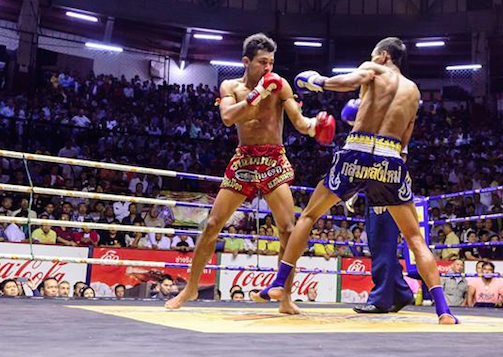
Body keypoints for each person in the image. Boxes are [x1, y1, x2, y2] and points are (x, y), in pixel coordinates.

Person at [254, 37, 458, 324]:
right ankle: (444, 311)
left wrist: (317, 81)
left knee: (309, 216)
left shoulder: (373, 69)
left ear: (384, 55)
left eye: (374, 54)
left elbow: (349, 81)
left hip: (357, 151)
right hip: (391, 159)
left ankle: (279, 282)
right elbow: (406, 138)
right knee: (414, 238)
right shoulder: (414, 92)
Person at [166, 34, 335, 315]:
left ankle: (285, 297)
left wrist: (316, 127)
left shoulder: (279, 84)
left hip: (273, 159)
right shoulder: (230, 86)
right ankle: (191, 287)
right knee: (212, 225)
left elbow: (299, 121)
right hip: (244, 159)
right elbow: (228, 117)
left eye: (271, 62)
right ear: (246, 62)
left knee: (288, 230)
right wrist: (258, 95)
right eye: (262, 62)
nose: (268, 68)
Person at [353, 206, 413, 314]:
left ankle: (379, 300)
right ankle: (401, 293)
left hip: (382, 197)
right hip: (374, 195)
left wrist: (382, 194)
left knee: (381, 246)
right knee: (380, 248)